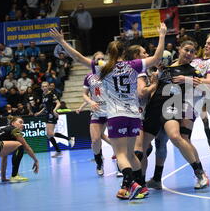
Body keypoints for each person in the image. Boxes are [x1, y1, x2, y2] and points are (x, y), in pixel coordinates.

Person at [49, 23, 167, 200]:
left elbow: (79, 58)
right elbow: (157, 57)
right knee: (130, 154)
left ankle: (131, 184)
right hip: (134, 115)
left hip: (116, 115)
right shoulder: (134, 65)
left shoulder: (104, 67)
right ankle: (141, 186)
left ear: (109, 53)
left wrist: (63, 42)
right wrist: (162, 35)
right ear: (123, 52)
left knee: (120, 154)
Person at [141, 40, 210, 190]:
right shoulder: (165, 65)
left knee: (175, 136)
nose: (189, 54)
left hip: (172, 106)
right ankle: (146, 181)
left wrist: (187, 80)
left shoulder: (192, 70)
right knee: (149, 145)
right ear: (179, 49)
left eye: (192, 52)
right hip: (153, 108)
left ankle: (200, 174)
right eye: (187, 50)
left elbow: (208, 89)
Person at [76, 52, 109, 176]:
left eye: (102, 58)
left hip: (111, 111)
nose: (100, 60)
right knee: (95, 140)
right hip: (96, 112)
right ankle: (99, 163)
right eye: (98, 59)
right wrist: (90, 102)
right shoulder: (89, 77)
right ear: (93, 61)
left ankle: (120, 166)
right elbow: (84, 94)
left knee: (115, 139)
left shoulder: (109, 74)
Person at [0, 116, 39, 185]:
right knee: (19, 144)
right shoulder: (14, 129)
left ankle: (4, 177)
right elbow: (26, 147)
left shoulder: (5, 133)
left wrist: (3, 177)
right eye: (20, 122)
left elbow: (4, 156)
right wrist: (36, 160)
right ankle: (15, 175)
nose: (22, 124)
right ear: (13, 123)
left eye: (23, 123)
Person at [35, 81, 75, 157]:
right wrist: (39, 112)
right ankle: (58, 151)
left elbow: (58, 103)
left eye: (46, 86)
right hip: (47, 115)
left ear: (48, 87)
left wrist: (54, 110)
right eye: (43, 86)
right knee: (48, 135)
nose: (44, 88)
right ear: (41, 87)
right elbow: (45, 106)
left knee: (50, 134)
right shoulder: (43, 95)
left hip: (52, 115)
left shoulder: (51, 94)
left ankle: (69, 138)